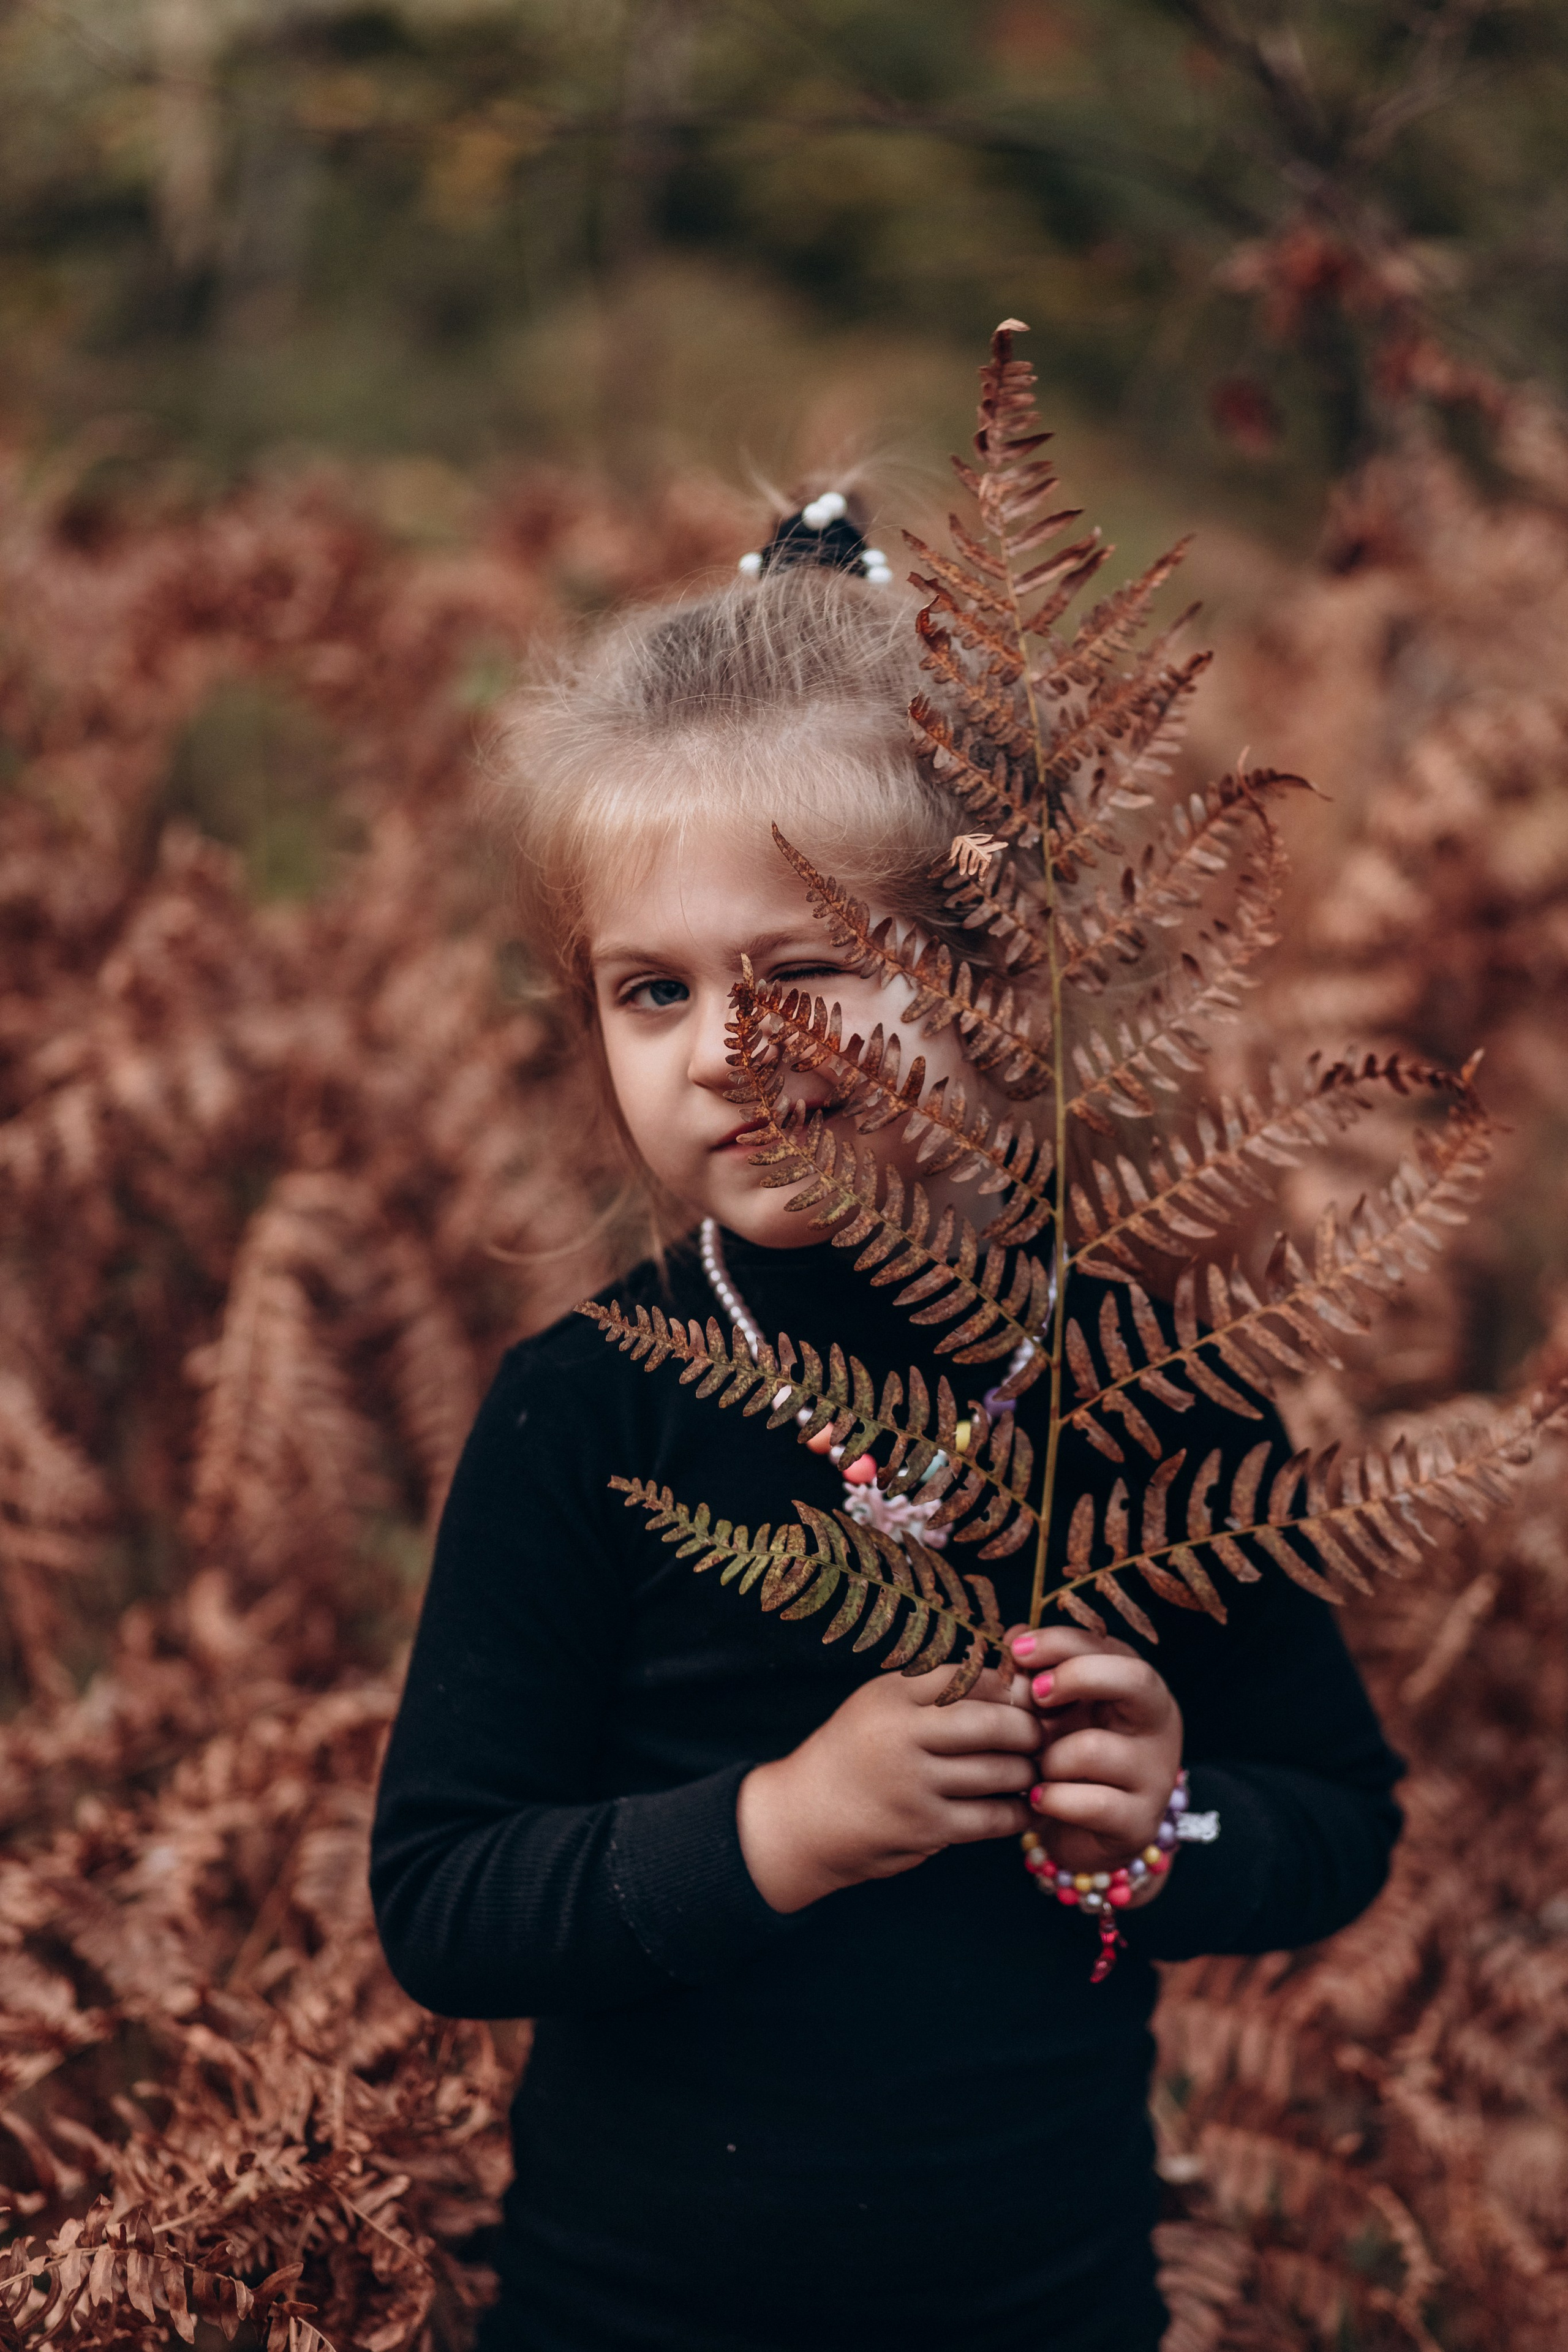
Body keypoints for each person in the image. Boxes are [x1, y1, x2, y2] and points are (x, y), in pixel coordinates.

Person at [369, 494, 1403, 2352]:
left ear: (997, 973)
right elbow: (447, 1900)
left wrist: (1160, 1829)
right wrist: (780, 1825)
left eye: (806, 970)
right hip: (633, 2312)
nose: (724, 1051)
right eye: (652, 992)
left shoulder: (1147, 1394)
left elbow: (1337, 1822)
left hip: (1043, 2300)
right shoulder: (590, 1407)